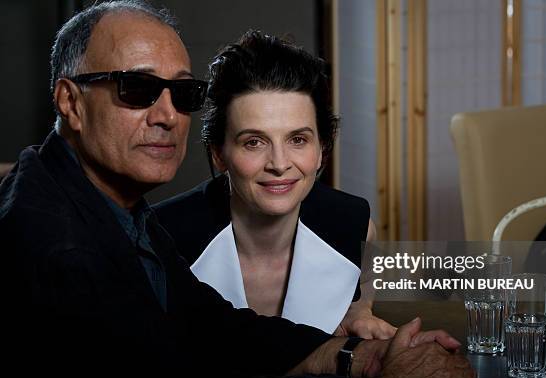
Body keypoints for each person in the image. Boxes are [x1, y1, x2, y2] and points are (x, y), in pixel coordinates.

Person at [0, 1, 476, 378]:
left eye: (182, 94)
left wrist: (359, 356)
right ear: (70, 102)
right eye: (137, 89)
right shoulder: (60, 249)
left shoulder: (104, 201)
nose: (167, 116)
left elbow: (213, 325)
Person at [154, 30, 395, 339]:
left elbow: (368, 277)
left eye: (298, 139)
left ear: (322, 148)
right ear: (219, 154)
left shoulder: (353, 223)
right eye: (254, 142)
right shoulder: (162, 239)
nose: (279, 164)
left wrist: (358, 311)